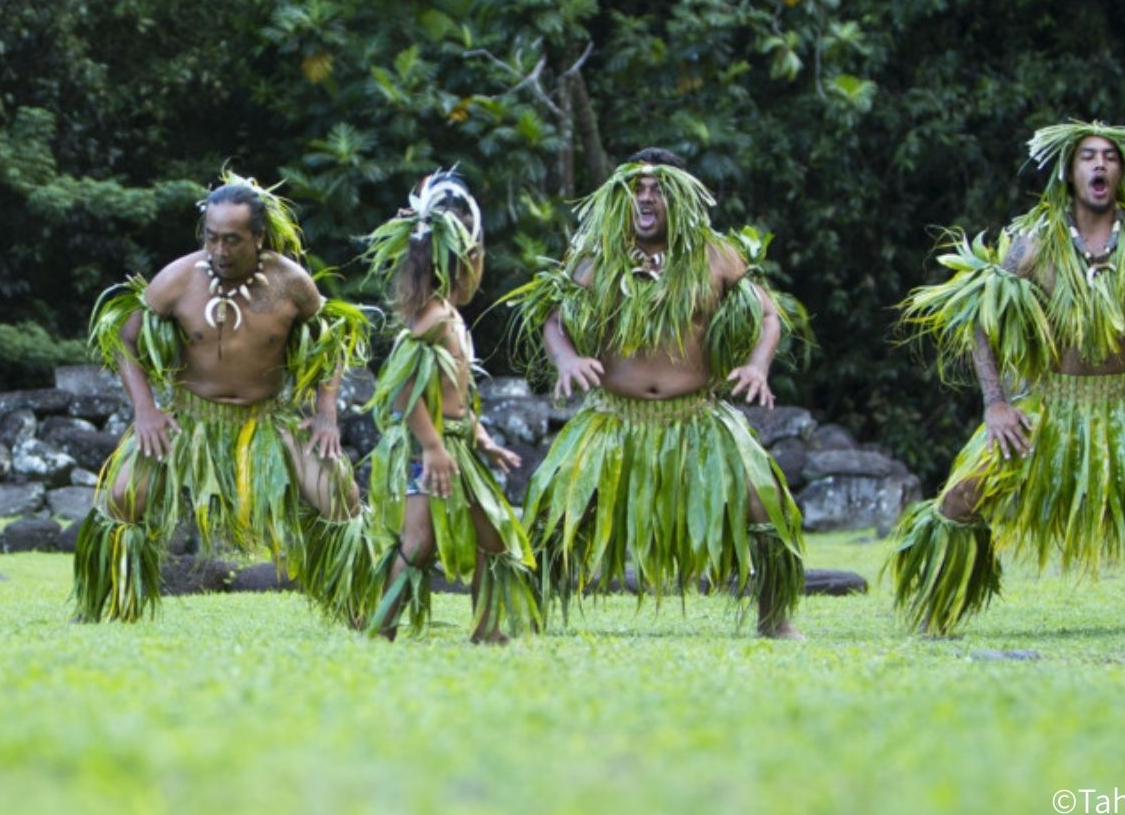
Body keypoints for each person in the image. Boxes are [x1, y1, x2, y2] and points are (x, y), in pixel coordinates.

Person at [887, 121, 1125, 634]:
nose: (1099, 164)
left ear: (1123, 171)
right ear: (1069, 173)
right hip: (1049, 407)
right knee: (959, 499)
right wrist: (995, 403)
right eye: (1088, 156)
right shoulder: (1033, 243)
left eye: (1110, 157)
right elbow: (983, 314)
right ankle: (933, 619)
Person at [505, 149, 811, 638]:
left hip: (698, 418)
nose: (645, 197)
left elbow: (768, 313)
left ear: (681, 196)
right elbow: (553, 316)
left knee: (762, 500)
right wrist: (566, 359)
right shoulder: (598, 257)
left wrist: (757, 365)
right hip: (612, 418)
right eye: (636, 188)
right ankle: (527, 613)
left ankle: (774, 618)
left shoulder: (715, 256)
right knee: (556, 510)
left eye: (658, 188)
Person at [74, 174, 369, 623]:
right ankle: (102, 609)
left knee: (340, 495)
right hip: (188, 420)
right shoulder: (175, 280)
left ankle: (356, 612)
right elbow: (123, 340)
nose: (220, 251)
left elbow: (332, 343)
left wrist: (326, 412)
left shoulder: (291, 283)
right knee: (120, 498)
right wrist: (146, 409)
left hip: (269, 419)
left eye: (233, 241)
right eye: (212, 238)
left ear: (259, 237)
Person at [353, 171, 543, 643]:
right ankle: (380, 625)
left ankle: (488, 630)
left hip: (454, 444)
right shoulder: (432, 319)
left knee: (492, 540)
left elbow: (453, 390)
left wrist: (479, 437)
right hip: (430, 450)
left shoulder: (448, 315)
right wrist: (434, 447)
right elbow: (405, 392)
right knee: (418, 544)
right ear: (466, 260)